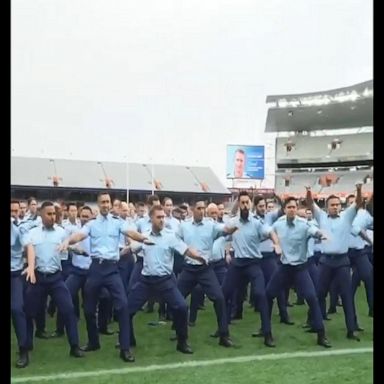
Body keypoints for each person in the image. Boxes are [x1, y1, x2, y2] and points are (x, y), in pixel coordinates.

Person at [58, 192, 152, 362]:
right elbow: (79, 235)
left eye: (108, 202)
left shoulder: (117, 223)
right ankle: (94, 342)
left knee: (123, 306)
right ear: (98, 204)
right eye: (103, 202)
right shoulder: (92, 224)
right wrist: (67, 242)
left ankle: (125, 348)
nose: (106, 205)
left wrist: (143, 238)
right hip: (95, 269)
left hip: (112, 269)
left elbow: (131, 232)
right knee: (88, 309)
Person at [126, 205, 206, 360]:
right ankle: (128, 341)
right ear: (151, 219)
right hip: (146, 281)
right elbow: (132, 248)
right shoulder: (144, 237)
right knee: (127, 310)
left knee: (182, 307)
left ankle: (182, 342)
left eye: (163, 217)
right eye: (159, 217)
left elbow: (186, 249)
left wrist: (198, 257)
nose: (162, 220)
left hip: (165, 281)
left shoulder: (170, 236)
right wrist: (121, 252)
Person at [266, 197, 331, 348]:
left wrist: (321, 235)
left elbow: (313, 230)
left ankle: (321, 334)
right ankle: (266, 332)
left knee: (312, 298)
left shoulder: (303, 224)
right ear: (284, 209)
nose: (292, 209)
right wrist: (274, 243)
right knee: (268, 295)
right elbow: (269, 231)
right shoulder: (279, 223)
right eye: (289, 207)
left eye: (294, 207)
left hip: (300, 268)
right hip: (284, 267)